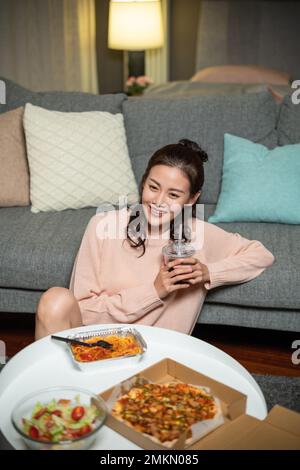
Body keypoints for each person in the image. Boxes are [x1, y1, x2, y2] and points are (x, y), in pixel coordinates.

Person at [35, 139, 275, 339]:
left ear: (191, 199)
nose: (159, 201)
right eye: (153, 187)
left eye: (173, 194)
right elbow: (82, 311)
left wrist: (208, 272)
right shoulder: (103, 225)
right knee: (55, 299)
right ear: (143, 182)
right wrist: (155, 291)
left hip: (156, 356)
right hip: (98, 345)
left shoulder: (199, 235)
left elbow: (261, 255)